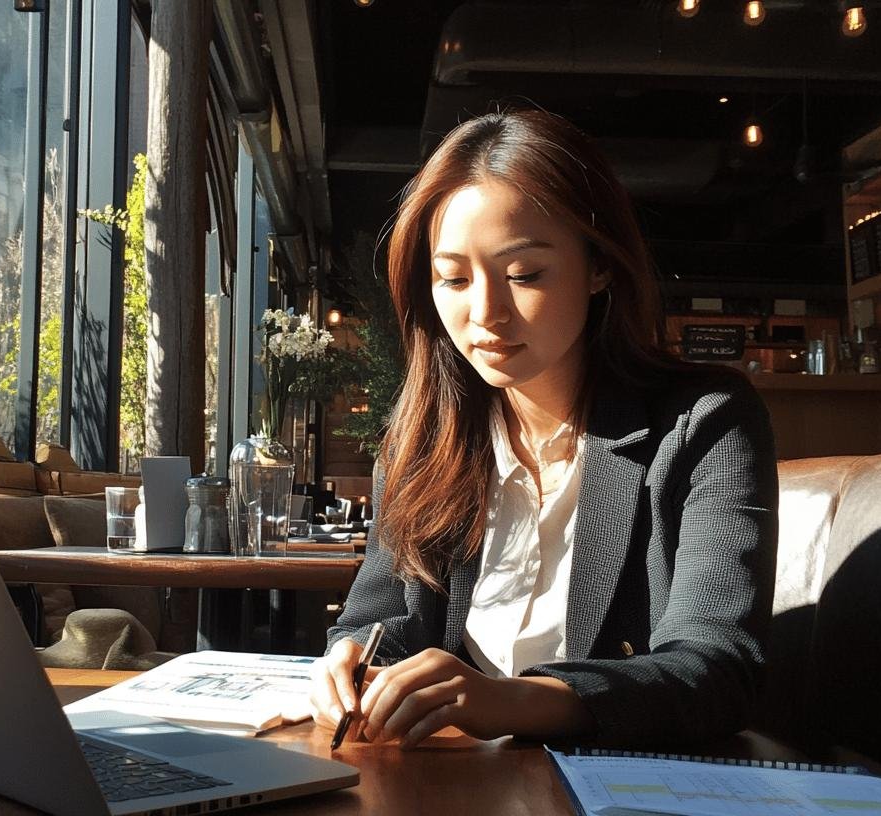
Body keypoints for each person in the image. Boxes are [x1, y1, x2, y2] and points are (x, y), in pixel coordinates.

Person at [309, 109, 778, 750]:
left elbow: (717, 667)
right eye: (453, 278)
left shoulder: (705, 424)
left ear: (600, 265)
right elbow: (378, 613)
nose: (485, 313)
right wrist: (350, 659)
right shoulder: (423, 439)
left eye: (524, 274)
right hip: (447, 783)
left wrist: (509, 701)